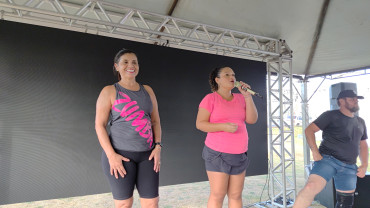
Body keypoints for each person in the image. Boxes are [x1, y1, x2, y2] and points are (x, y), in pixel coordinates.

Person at [95, 49, 162, 208]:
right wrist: (111, 155)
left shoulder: (148, 90)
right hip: (120, 155)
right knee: (124, 204)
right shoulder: (110, 91)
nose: (130, 65)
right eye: (125, 62)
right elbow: (99, 125)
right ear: (116, 66)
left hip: (148, 155)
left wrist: (158, 146)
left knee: (152, 203)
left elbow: (156, 121)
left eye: (134, 62)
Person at [293, 90, 368, 208]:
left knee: (345, 203)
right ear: (341, 101)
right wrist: (315, 152)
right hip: (328, 161)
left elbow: (363, 145)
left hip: (349, 166)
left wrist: (364, 164)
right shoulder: (330, 115)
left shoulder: (361, 122)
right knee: (310, 187)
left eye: (356, 99)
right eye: (352, 99)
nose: (356, 101)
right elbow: (309, 130)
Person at [196, 66, 258, 208]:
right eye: (227, 74)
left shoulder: (241, 98)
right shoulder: (210, 99)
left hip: (239, 154)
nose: (232, 77)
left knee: (236, 195)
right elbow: (200, 124)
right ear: (217, 80)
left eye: (233, 74)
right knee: (218, 195)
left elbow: (252, 119)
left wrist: (247, 96)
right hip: (217, 154)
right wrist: (223, 127)